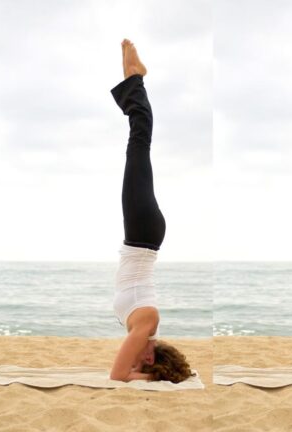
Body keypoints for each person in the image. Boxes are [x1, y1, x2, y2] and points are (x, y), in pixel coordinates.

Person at [109, 40, 192, 384]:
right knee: (138, 148)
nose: (138, 361)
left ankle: (134, 84)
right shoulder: (147, 322)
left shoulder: (145, 325)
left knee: (137, 152)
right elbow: (118, 375)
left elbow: (122, 372)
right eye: (147, 363)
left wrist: (145, 375)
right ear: (155, 356)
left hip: (143, 236)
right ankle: (136, 82)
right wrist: (146, 377)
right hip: (142, 236)